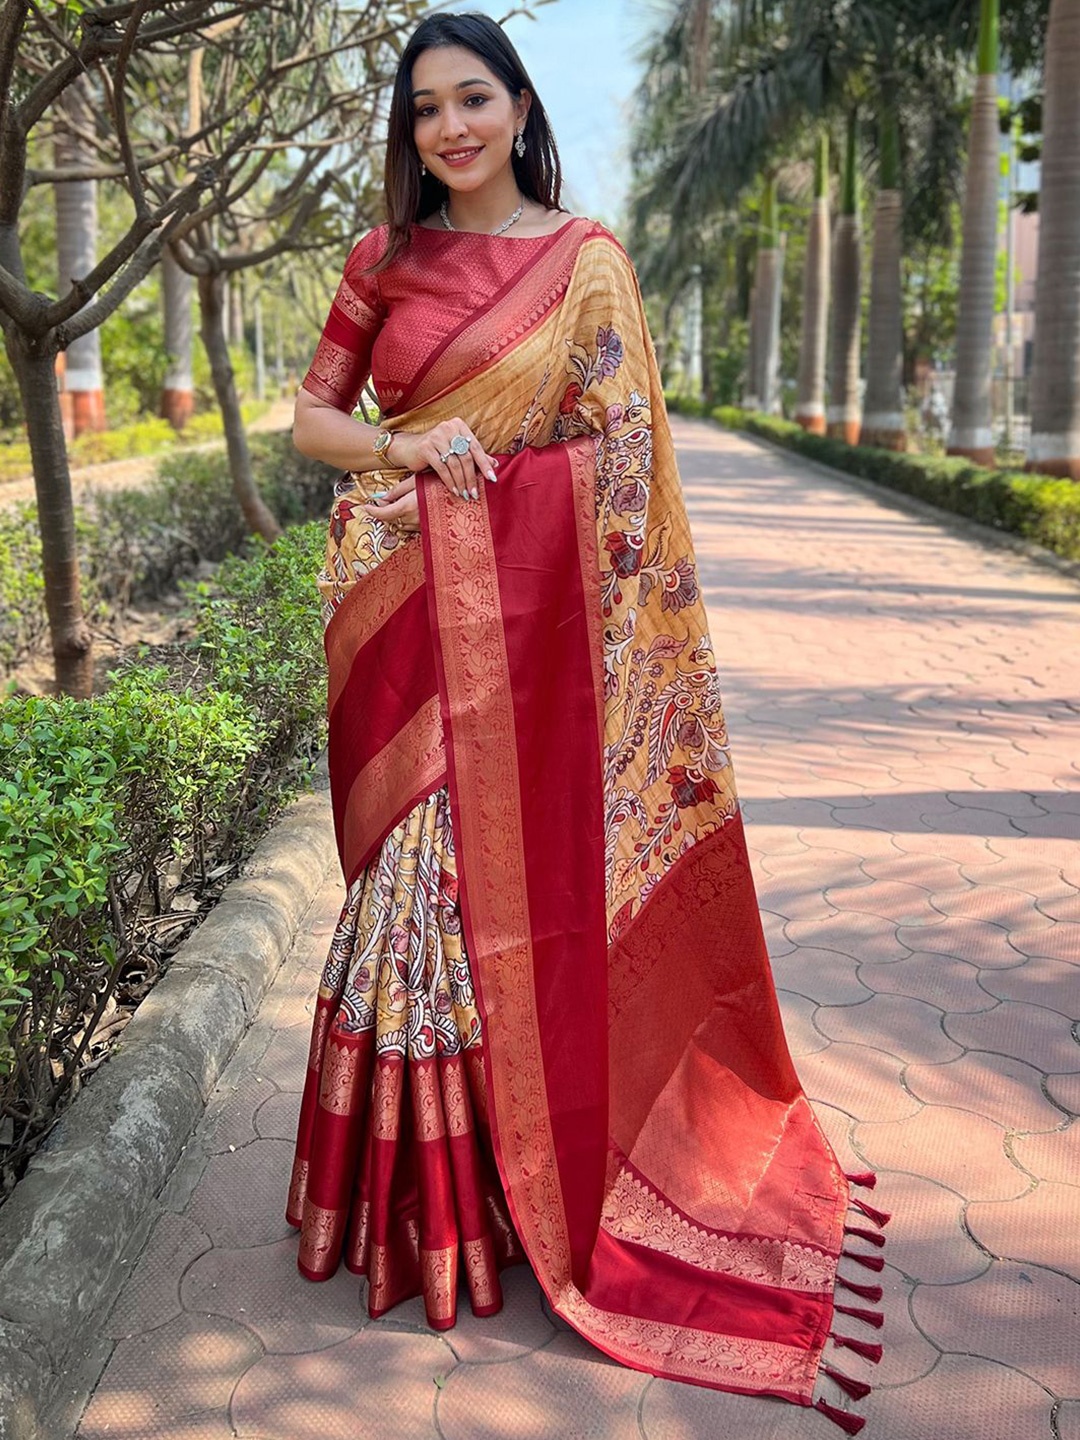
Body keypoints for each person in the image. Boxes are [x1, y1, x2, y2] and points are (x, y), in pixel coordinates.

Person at [288, 13, 884, 1435]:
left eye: (473, 98)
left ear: (516, 102)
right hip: (411, 611)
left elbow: (623, 468)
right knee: (412, 899)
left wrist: (522, 517)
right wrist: (404, 444)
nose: (451, 129)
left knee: (511, 903)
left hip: (534, 638)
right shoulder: (381, 259)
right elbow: (313, 419)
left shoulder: (588, 262)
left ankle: (519, 1188)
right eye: (426, 108)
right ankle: (417, 1209)